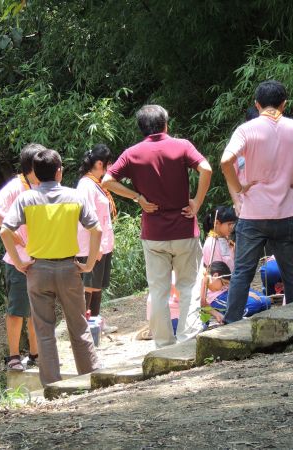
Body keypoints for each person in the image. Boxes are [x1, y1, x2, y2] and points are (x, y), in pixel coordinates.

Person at [220, 80, 293, 324]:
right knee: (292, 271)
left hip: (253, 215)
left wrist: (239, 188)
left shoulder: (246, 130)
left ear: (257, 104)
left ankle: (230, 325)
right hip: (286, 213)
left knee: (242, 272)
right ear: (284, 104)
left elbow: (225, 161)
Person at [102, 104, 212, 348]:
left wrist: (137, 198)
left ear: (142, 128)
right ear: (166, 124)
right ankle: (188, 338)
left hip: (154, 234)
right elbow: (206, 168)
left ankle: (163, 344)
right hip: (184, 228)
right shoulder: (182, 145)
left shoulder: (132, 153)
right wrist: (197, 202)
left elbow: (107, 180)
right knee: (189, 286)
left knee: (159, 290)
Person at [0, 149, 103, 387]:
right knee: (79, 326)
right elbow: (96, 230)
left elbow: (5, 230)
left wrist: (18, 262)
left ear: (35, 173)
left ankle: (52, 386)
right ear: (59, 172)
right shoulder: (75, 196)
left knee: (44, 331)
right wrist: (87, 265)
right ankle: (91, 377)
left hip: (37, 271)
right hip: (69, 269)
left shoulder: (26, 199)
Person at [0, 143, 43, 371]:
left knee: (37, 310)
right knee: (17, 310)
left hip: (39, 257)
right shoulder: (16, 186)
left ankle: (36, 354)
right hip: (17, 261)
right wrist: (15, 234)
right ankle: (13, 357)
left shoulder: (42, 186)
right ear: (31, 166)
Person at [76, 144, 118, 334]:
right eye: (110, 163)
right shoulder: (86, 185)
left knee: (98, 285)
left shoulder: (96, 183)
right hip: (91, 245)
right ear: (100, 163)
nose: (112, 166)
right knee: (89, 286)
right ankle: (85, 326)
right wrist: (97, 245)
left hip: (103, 243)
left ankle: (96, 323)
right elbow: (88, 216)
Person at [200, 261, 270, 325]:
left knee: (266, 301)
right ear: (215, 276)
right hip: (216, 296)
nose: (223, 286)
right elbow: (202, 302)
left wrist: (242, 291)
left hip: (231, 289)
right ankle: (231, 315)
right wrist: (216, 314)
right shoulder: (202, 278)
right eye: (223, 283)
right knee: (254, 305)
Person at [202, 206, 237, 270]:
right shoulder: (211, 244)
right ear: (217, 223)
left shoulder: (224, 239)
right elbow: (216, 271)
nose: (232, 227)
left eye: (233, 224)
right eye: (229, 224)